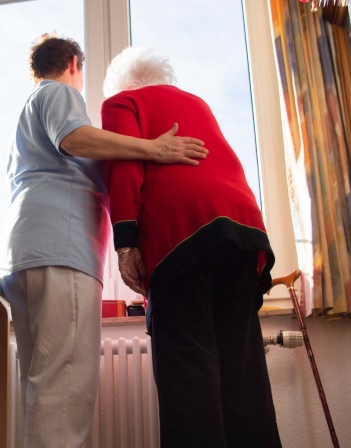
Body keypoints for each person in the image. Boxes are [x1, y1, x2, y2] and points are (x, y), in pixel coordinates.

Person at [0, 34, 207, 448]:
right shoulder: (58, 92)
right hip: (59, 252)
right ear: (74, 62)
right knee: (66, 389)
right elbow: (74, 139)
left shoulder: (26, 118)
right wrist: (154, 148)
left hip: (26, 255)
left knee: (45, 387)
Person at [102, 46, 282, 448]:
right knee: (242, 376)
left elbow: (124, 168)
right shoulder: (196, 103)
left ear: (121, 84)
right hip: (242, 234)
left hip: (181, 237)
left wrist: (127, 244)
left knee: (189, 377)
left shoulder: (122, 103)